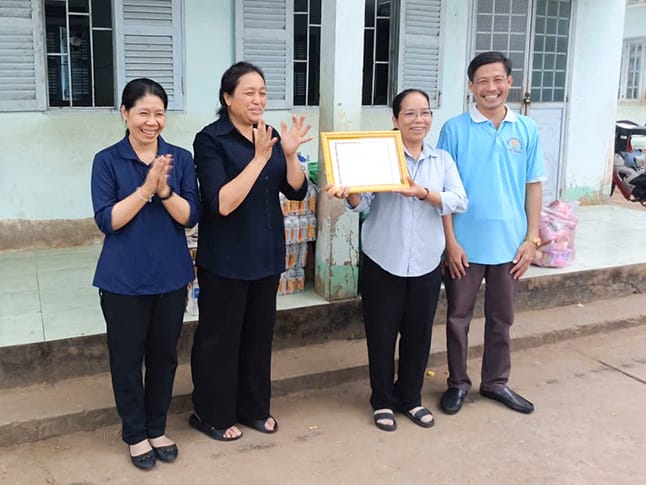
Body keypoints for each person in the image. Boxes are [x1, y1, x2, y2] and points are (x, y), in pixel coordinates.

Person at [328, 89, 467, 431]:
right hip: (383, 259)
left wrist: (423, 193)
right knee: (381, 335)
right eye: (410, 114)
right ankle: (381, 401)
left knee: (418, 335)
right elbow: (363, 203)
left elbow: (459, 200)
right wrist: (351, 191)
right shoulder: (380, 156)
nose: (419, 120)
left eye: (425, 112)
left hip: (426, 262)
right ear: (395, 119)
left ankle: (410, 398)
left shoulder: (441, 160)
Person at [189, 62, 312, 441]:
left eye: (262, 92)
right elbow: (221, 203)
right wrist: (259, 159)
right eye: (249, 92)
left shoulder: (270, 135)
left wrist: (288, 155)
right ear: (227, 98)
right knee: (219, 340)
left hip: (265, 254)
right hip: (225, 258)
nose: (258, 100)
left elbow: (297, 191)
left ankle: (254, 408)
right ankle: (211, 413)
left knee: (258, 338)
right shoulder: (210, 140)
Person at [91, 78, 200, 469]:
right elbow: (108, 220)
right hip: (122, 279)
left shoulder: (179, 159)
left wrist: (165, 191)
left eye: (159, 114)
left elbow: (190, 217)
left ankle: (157, 427)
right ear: (125, 113)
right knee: (126, 358)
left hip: (170, 275)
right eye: (143, 113)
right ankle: (135, 434)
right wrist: (144, 189)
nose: (152, 122)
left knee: (164, 357)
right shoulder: (107, 160)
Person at [437, 51, 546, 416]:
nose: (491, 88)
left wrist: (531, 239)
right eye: (482, 81)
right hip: (464, 246)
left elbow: (533, 185)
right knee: (458, 318)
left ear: (509, 83)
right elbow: (443, 191)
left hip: (510, 245)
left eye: (498, 80)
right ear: (471, 86)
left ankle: (496, 382)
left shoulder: (526, 129)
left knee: (502, 319)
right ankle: (457, 383)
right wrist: (450, 242)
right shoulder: (454, 129)